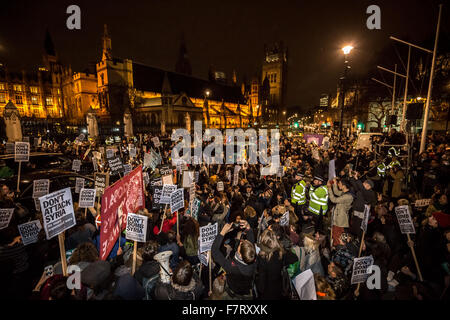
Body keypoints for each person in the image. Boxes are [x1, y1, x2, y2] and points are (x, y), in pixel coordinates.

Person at [211, 220, 256, 300]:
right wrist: (248, 227)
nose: (241, 242)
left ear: (240, 255)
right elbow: (251, 243)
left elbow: (214, 251)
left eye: (240, 245)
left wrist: (222, 232)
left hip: (232, 291)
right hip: (246, 291)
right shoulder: (252, 258)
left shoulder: (231, 266)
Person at [255, 229, 297, 299]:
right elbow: (294, 258)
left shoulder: (262, 257)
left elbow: (261, 284)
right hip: (279, 288)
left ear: (263, 241)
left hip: (267, 292)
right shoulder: (281, 252)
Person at [327, 178, 353, 247]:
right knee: (335, 235)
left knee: (337, 237)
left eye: (339, 183)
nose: (338, 184)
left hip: (340, 221)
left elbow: (334, 199)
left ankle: (338, 249)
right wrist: (335, 183)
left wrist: (329, 188)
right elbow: (336, 192)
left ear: (344, 186)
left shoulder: (348, 196)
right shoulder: (345, 193)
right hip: (338, 217)